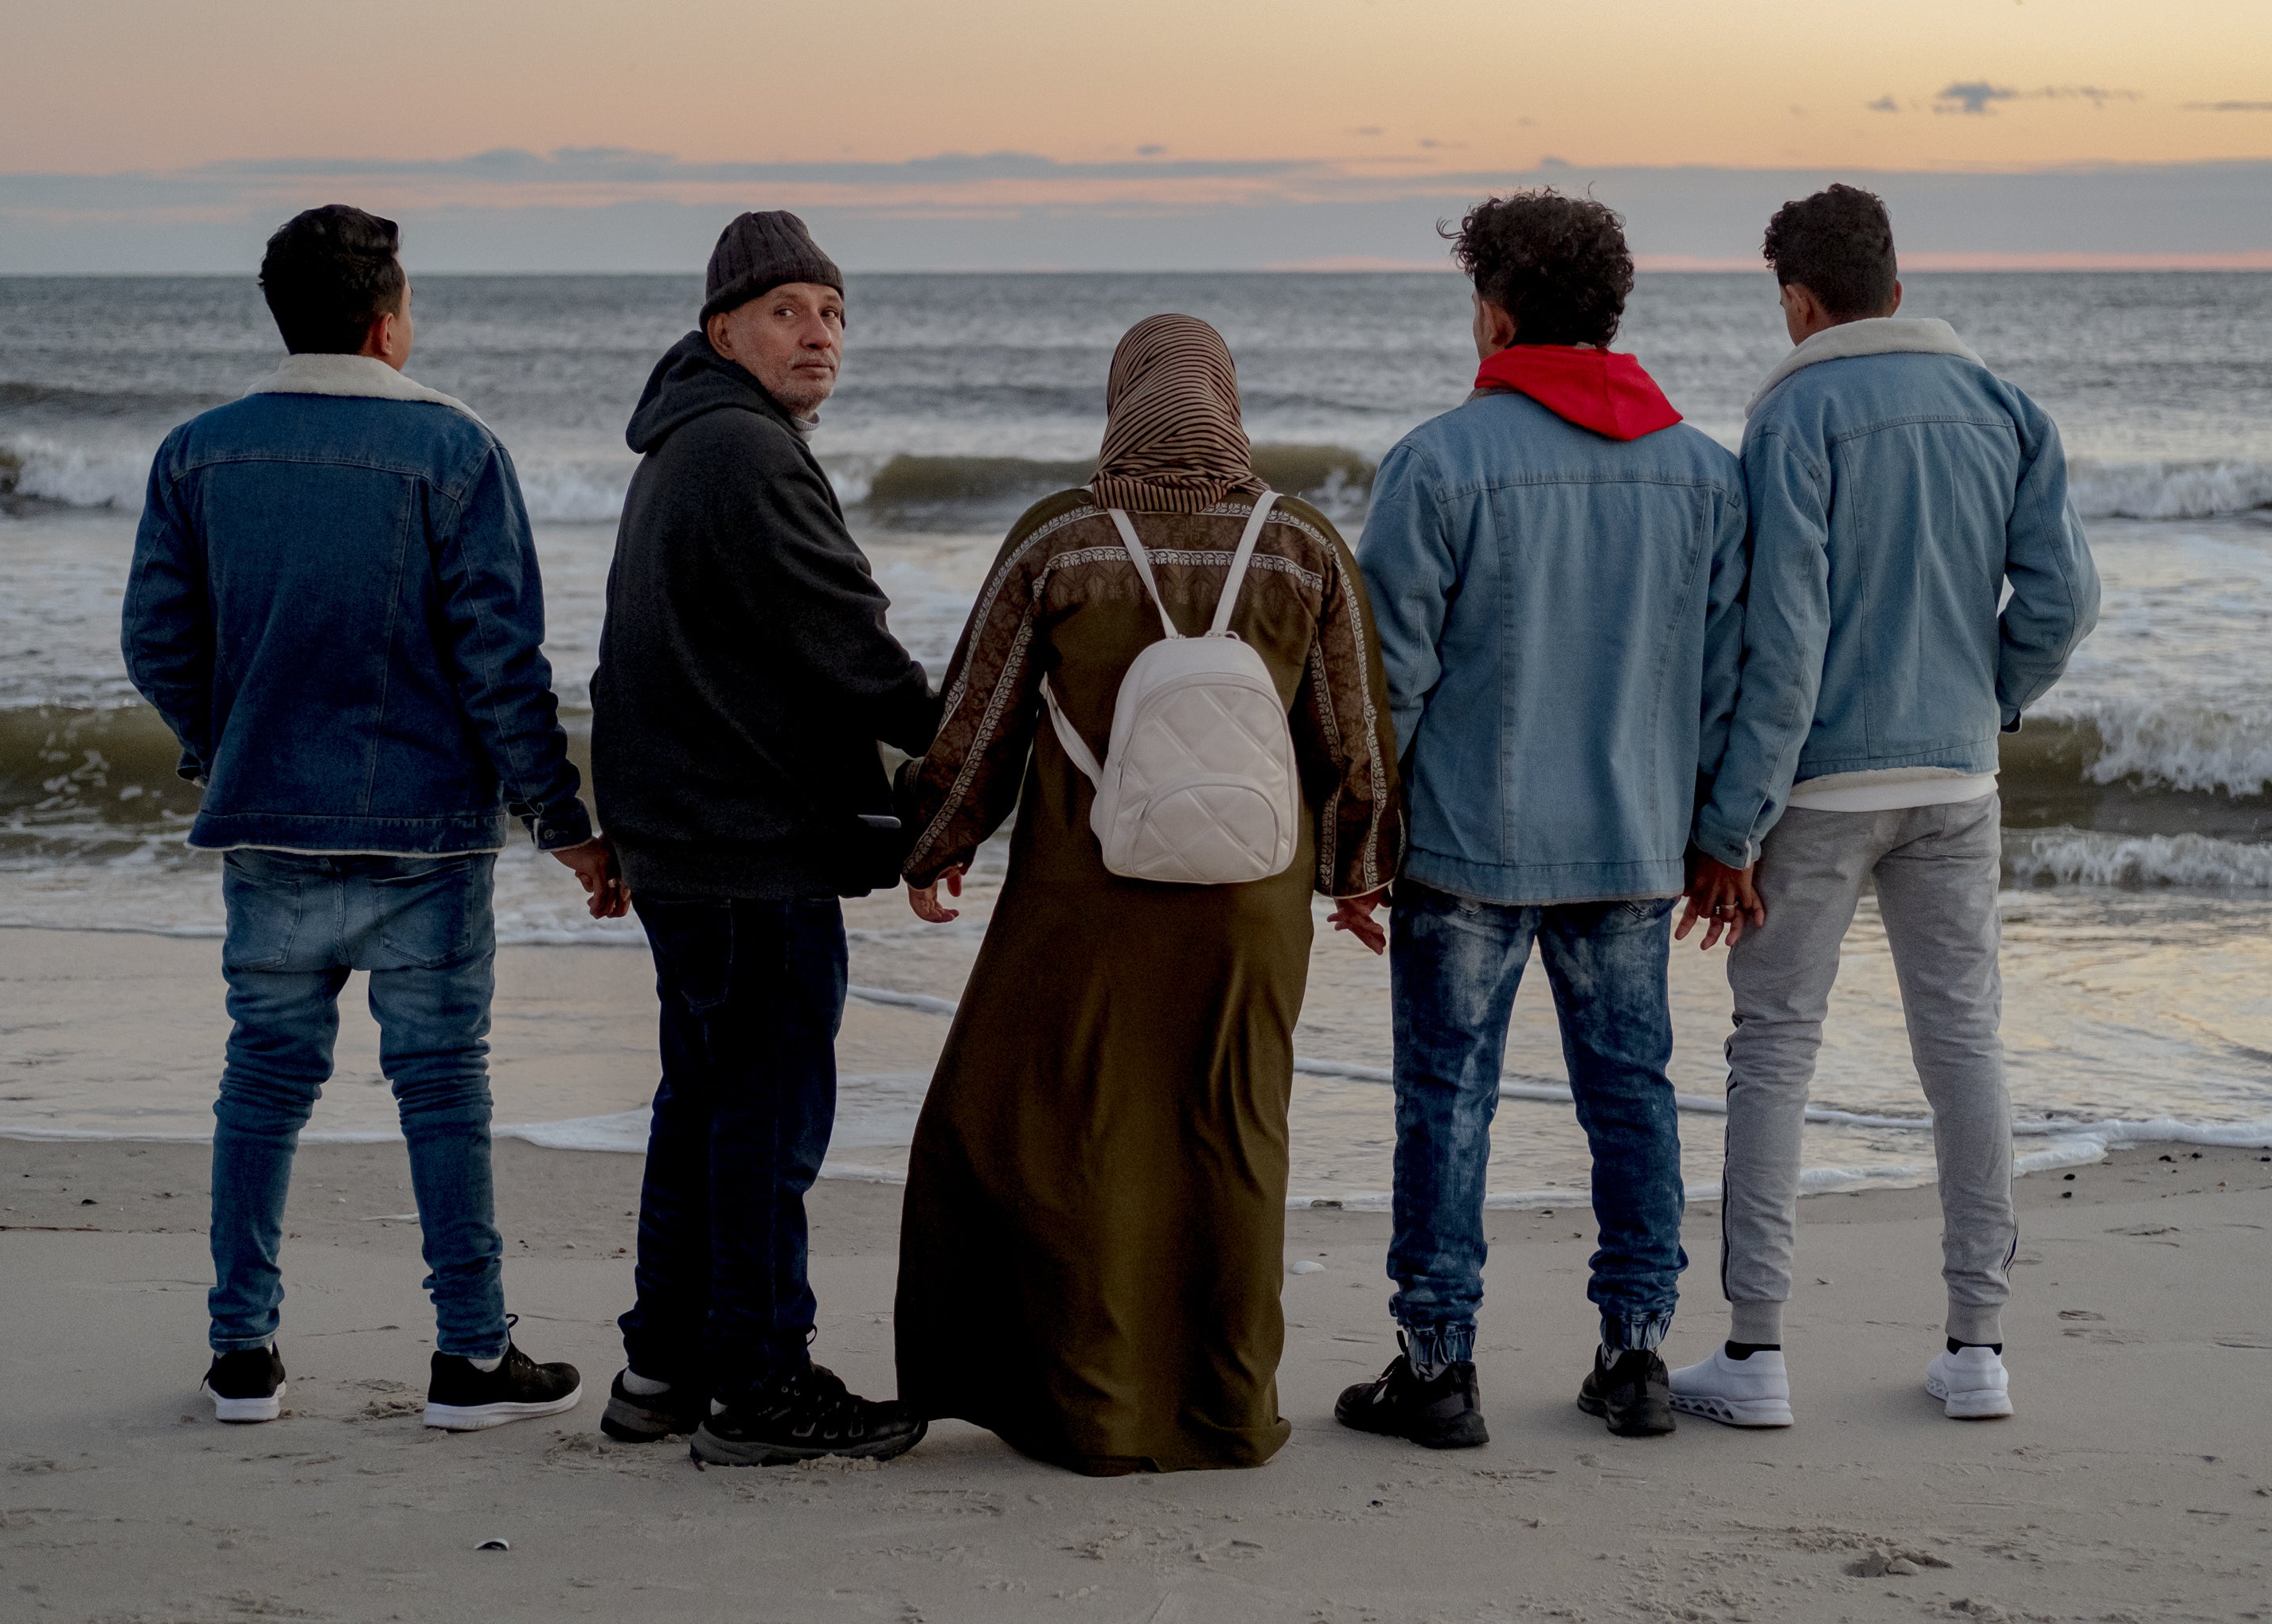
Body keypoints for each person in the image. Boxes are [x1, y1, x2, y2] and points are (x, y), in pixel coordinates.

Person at [122, 205, 619, 1432]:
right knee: (443, 1089)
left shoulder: (199, 452)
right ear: (390, 322)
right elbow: (503, 664)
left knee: (264, 1083)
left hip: (269, 823)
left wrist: (223, 742)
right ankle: (467, 1358)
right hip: (429, 836)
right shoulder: (457, 452)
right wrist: (564, 823)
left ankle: (242, 1353)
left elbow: (157, 641)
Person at [889, 313, 1399, 1475]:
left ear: (1124, 401)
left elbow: (981, 718)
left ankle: (1097, 1411)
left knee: (1065, 1134)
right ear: (1226, 401)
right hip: (1249, 906)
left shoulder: (1059, 538)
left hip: (1084, 893)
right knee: (1233, 1133)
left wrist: (940, 843)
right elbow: (1355, 737)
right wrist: (1359, 877)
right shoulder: (1301, 544)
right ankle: (1227, 1413)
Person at [1670, 185, 2099, 1429]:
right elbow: (2064, 597)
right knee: (1963, 1049)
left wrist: (1729, 826)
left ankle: (1755, 1357)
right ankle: (1978, 1348)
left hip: (1819, 788)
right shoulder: (2005, 407)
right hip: (1956, 783)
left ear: (1799, 302)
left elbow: (1787, 640)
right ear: (1898, 288)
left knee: (1775, 1051)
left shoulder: (1795, 413)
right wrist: (1988, 701)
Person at [1341, 191, 1747, 1446]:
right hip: (1631, 837)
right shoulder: (1705, 472)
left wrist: (1358, 837)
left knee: (1445, 1098)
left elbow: (1385, 681)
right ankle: (1636, 1360)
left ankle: (1439, 1366)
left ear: (1497, 311)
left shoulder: (1440, 462)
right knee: (1631, 1096)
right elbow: (1732, 681)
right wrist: (1724, 832)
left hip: (1466, 843)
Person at [589, 210, 939, 1466]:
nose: (820, 335)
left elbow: (625, 660)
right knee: (766, 1122)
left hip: (689, 837)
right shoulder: (743, 453)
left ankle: (664, 1367)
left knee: (706, 1107)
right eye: (789, 310)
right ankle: (759, 1384)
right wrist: (966, 759)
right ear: (720, 329)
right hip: (742, 850)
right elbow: (852, 645)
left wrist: (618, 825)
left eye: (836, 312)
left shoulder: (687, 447)